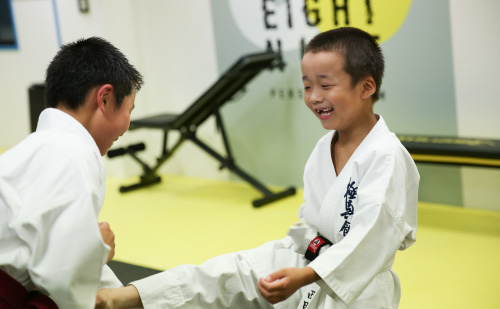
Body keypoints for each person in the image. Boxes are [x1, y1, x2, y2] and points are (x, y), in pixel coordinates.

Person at [95, 27, 419, 309]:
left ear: (366, 87)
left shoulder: (385, 155)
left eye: (326, 85)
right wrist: (294, 258)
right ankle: (126, 297)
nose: (314, 97)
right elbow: (310, 224)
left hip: (356, 291)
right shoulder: (325, 148)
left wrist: (304, 275)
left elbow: (371, 240)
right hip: (310, 260)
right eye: (307, 86)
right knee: (230, 270)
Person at [0, 37, 143, 308]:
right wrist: (96, 250)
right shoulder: (72, 154)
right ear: (105, 98)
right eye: (129, 110)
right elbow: (62, 276)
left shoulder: (41, 147)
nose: (126, 127)